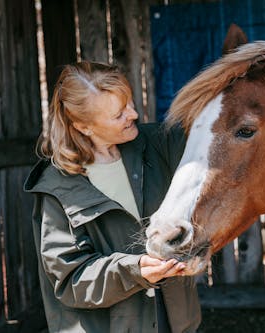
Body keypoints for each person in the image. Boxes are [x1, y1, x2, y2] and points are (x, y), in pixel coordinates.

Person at [24, 61, 201, 333]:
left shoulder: (159, 144)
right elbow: (71, 280)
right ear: (84, 126)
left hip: (175, 323)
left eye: (130, 103)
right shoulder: (57, 187)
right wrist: (136, 270)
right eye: (119, 114)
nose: (133, 114)